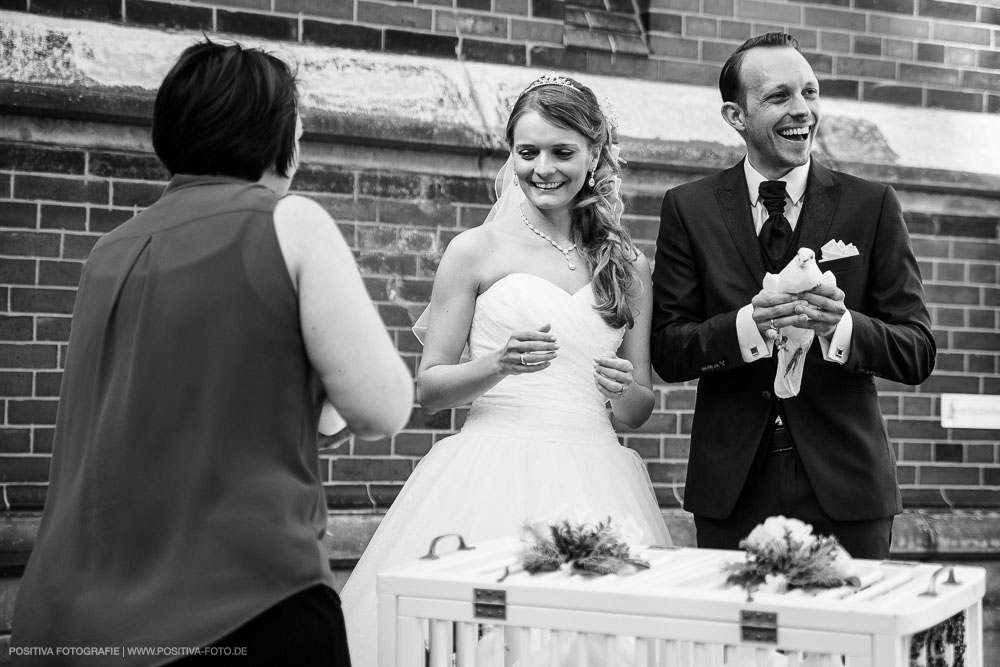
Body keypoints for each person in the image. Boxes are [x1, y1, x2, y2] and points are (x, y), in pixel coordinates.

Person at [11, 40, 413, 666]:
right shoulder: (288, 221)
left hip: (72, 617)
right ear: (279, 138)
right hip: (243, 602)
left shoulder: (105, 254)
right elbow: (383, 407)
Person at [339, 72, 671, 666]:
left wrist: (623, 390)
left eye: (562, 152)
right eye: (527, 152)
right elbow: (431, 387)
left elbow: (639, 404)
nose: (542, 168)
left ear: (595, 155)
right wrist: (497, 364)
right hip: (487, 470)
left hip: (595, 473)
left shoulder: (625, 264)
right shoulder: (475, 251)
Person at [651, 32, 935, 560]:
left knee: (849, 641)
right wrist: (745, 326)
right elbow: (668, 350)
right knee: (736, 641)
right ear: (736, 116)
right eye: (779, 97)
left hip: (847, 487)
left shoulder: (870, 206)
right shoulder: (688, 209)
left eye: (810, 92)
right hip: (732, 488)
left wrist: (843, 327)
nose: (802, 109)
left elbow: (917, 349)